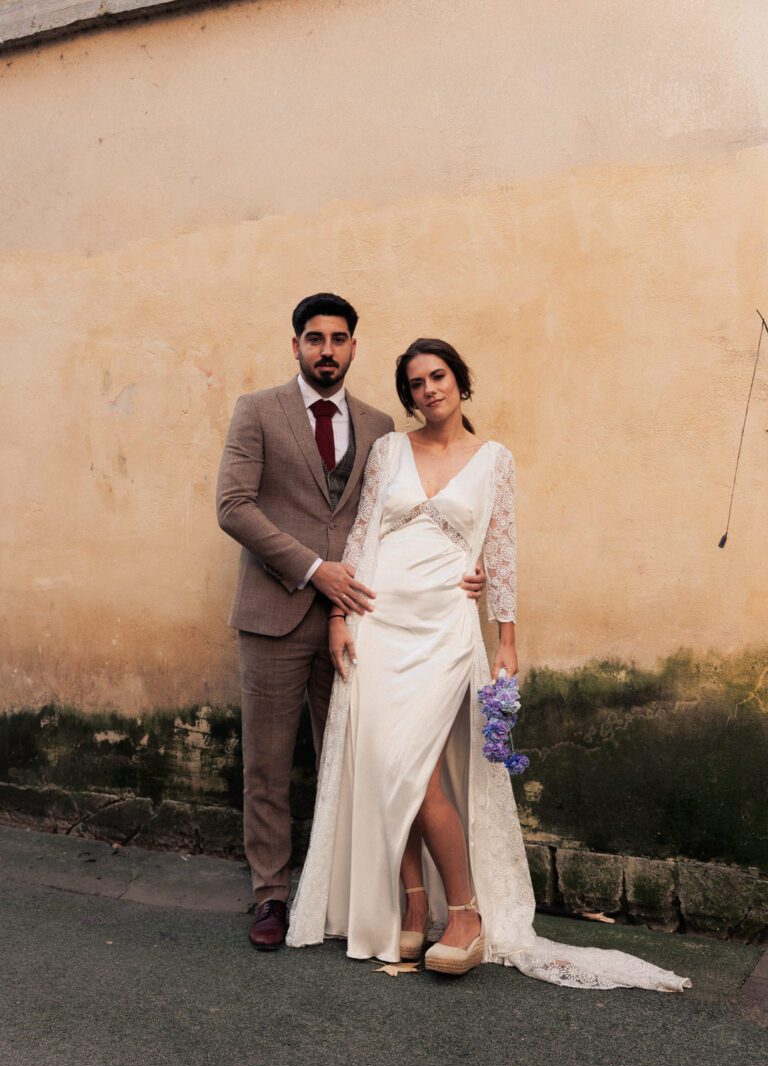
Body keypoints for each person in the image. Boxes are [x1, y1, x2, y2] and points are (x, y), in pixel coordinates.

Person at [286, 338, 691, 992]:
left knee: (417, 770)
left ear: (460, 382)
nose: (428, 390)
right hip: (378, 620)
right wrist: (338, 616)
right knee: (386, 764)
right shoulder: (391, 450)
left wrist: (506, 638)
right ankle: (415, 906)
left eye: (438, 376)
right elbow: (363, 534)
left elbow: (500, 551)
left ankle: (467, 914)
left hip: (446, 626)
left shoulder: (494, 459)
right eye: (415, 383)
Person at [216, 301, 486, 950]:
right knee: (269, 767)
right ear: (296, 346)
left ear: (354, 347)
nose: (326, 349)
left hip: (369, 623)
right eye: (315, 339)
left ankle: (348, 897)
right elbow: (233, 506)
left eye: (338, 339)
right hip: (277, 613)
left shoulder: (380, 425)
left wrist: (464, 569)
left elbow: (396, 518)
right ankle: (273, 897)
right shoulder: (258, 410)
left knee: (362, 764)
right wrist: (315, 569)